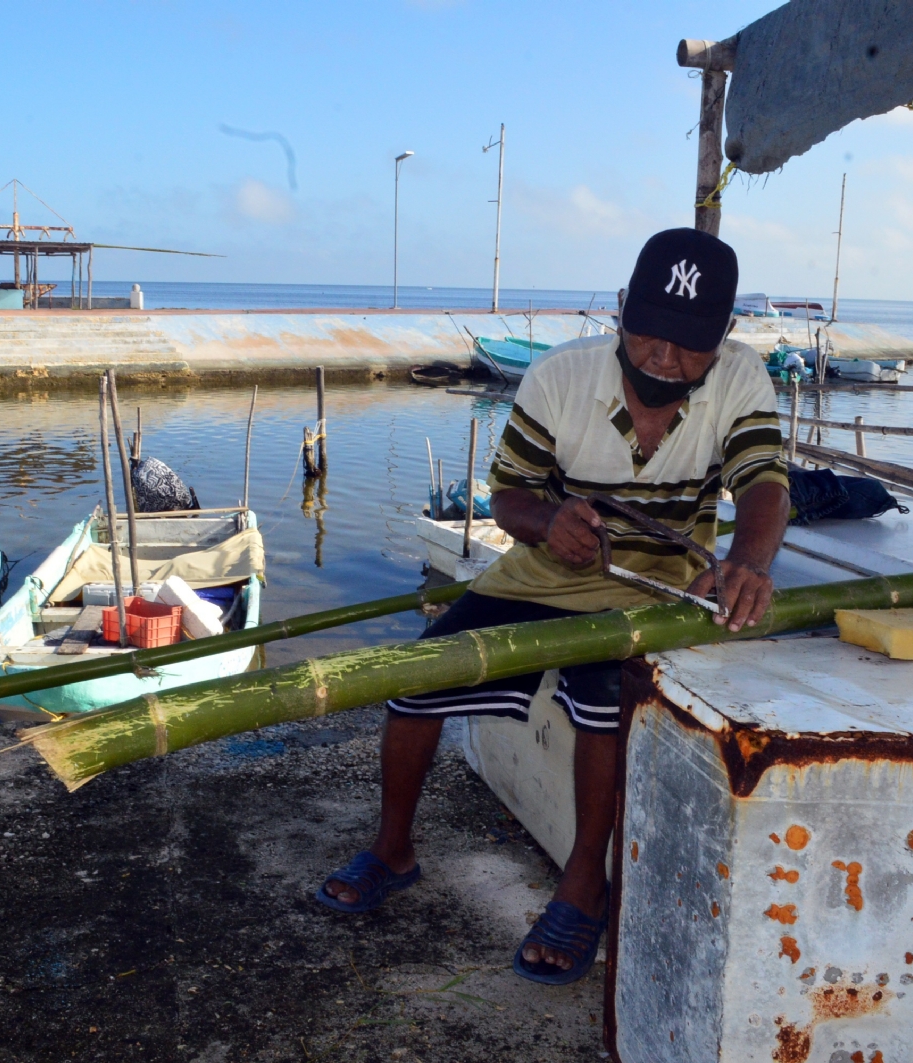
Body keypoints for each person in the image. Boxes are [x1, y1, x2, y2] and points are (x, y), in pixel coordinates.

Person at [317, 228, 790, 985]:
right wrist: (548, 523)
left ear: (725, 336)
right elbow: (509, 494)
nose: (664, 358)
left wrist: (749, 561)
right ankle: (392, 847)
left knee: (605, 700)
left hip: (655, 586)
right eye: (648, 333)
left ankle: (582, 882)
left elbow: (765, 479)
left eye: (689, 345)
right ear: (619, 311)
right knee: (414, 680)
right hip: (542, 576)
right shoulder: (559, 377)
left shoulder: (741, 379)